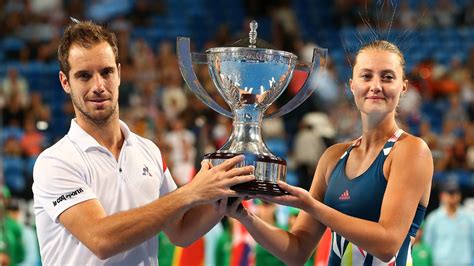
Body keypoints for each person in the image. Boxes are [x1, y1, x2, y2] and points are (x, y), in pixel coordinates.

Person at [32, 21, 254, 265]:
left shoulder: (147, 150)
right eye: (84, 76)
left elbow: (180, 230)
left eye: (106, 72)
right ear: (65, 82)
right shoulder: (54, 162)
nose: (98, 86)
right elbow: (101, 239)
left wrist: (224, 197)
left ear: (118, 73)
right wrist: (191, 192)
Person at [227, 40, 433, 265]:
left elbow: (387, 245)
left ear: (403, 87)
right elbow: (296, 252)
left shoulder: (411, 150)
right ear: (352, 85)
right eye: (366, 76)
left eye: (387, 77)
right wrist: (243, 215)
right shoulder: (333, 157)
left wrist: (311, 206)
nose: (376, 85)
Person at [423, 181, 474, 266]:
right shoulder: (433, 219)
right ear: (442, 196)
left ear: (460, 195)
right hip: (441, 263)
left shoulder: (469, 218)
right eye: (450, 193)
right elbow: (428, 245)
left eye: (455, 193)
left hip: (464, 263)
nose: (453, 196)